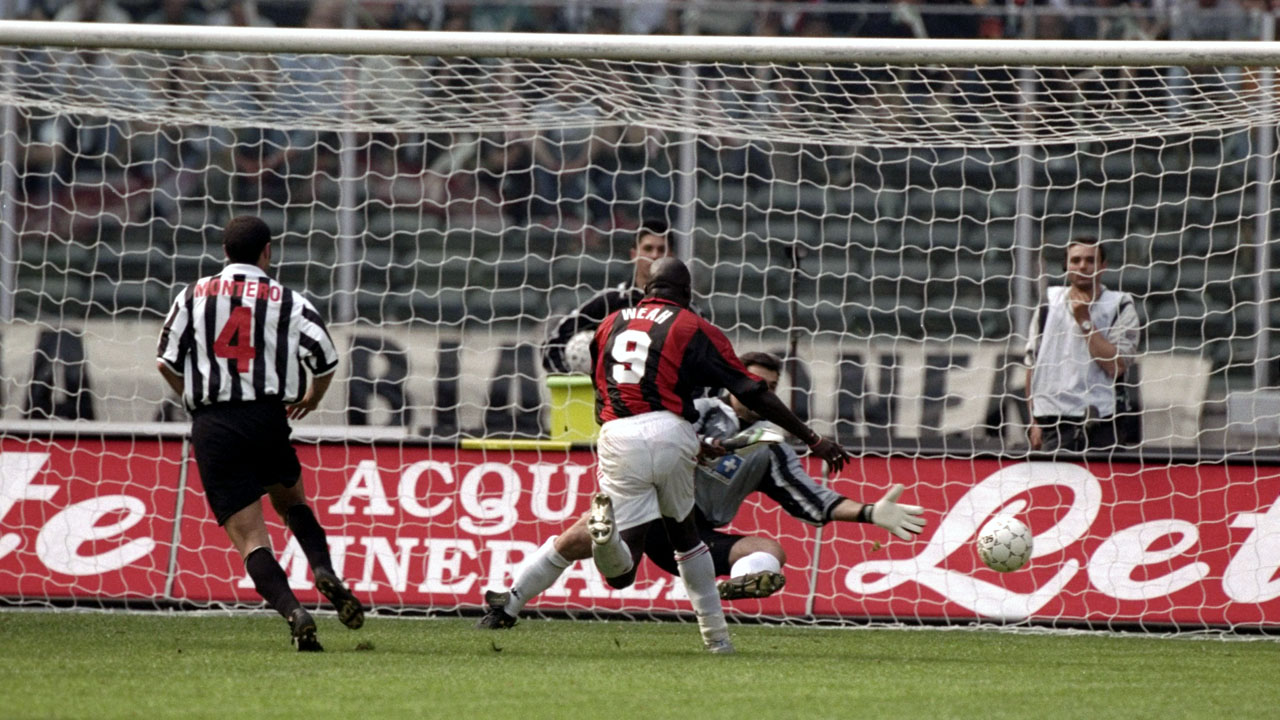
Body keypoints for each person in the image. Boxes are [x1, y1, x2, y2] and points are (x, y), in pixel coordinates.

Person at [529, 258, 850, 653]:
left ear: (648, 289)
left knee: (619, 572)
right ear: (688, 294)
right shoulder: (694, 328)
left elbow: (599, 388)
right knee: (687, 541)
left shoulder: (608, 323)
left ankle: (543, 580)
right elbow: (751, 391)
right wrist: (813, 438)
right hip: (670, 435)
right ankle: (717, 640)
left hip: (615, 433)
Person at [477, 350, 925, 628]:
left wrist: (869, 513)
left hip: (696, 534)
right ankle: (508, 604)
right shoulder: (696, 410)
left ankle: (747, 581)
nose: (758, 391)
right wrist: (697, 443)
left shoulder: (770, 446)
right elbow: (658, 432)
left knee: (771, 547)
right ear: (735, 383)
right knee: (579, 538)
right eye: (753, 383)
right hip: (651, 509)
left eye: (768, 387)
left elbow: (810, 501)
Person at [156, 216, 365, 652]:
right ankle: (323, 569)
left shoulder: (193, 294)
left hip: (214, 425)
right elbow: (325, 358)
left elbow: (166, 361)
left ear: (225, 251)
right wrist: (312, 396)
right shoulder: (287, 299)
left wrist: (194, 398)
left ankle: (294, 612)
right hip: (267, 416)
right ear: (267, 251)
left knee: (251, 538)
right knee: (292, 502)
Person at [1025, 236, 1141, 452]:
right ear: (1066, 266)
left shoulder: (1120, 305)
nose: (1083, 266)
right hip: (1054, 423)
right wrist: (1034, 421)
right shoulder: (1048, 304)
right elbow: (1033, 364)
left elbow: (1116, 366)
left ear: (1103, 266)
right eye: (1076, 260)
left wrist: (1084, 321)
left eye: (1090, 260)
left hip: (1105, 420)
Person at [541, 220, 671, 374]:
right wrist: (573, 381)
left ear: (671, 256)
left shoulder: (685, 308)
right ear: (634, 254)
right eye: (648, 248)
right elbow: (552, 345)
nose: (655, 255)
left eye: (661, 250)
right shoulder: (610, 302)